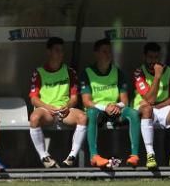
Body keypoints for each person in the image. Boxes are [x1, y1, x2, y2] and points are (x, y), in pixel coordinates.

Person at [27, 37, 87, 168]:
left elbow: (74, 98)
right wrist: (48, 107)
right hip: (46, 110)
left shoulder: (70, 72)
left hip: (65, 110)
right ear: (49, 52)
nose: (60, 54)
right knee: (34, 118)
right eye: (57, 50)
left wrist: (67, 107)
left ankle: (71, 157)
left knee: (83, 117)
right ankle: (44, 157)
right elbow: (34, 98)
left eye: (62, 51)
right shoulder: (39, 72)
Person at [80, 38, 140, 170]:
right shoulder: (87, 73)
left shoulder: (118, 72)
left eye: (109, 52)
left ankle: (134, 156)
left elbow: (124, 100)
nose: (108, 55)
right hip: (98, 110)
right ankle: (94, 156)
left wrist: (117, 106)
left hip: (115, 109)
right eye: (104, 52)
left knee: (134, 113)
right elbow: (86, 101)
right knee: (91, 113)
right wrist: (105, 107)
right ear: (96, 54)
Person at [132, 42, 170, 169]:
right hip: (143, 110)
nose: (153, 61)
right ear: (144, 57)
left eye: (156, 58)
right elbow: (150, 99)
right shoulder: (139, 72)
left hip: (161, 108)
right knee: (147, 109)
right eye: (150, 57)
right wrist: (157, 77)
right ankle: (150, 155)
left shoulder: (167, 70)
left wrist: (157, 106)